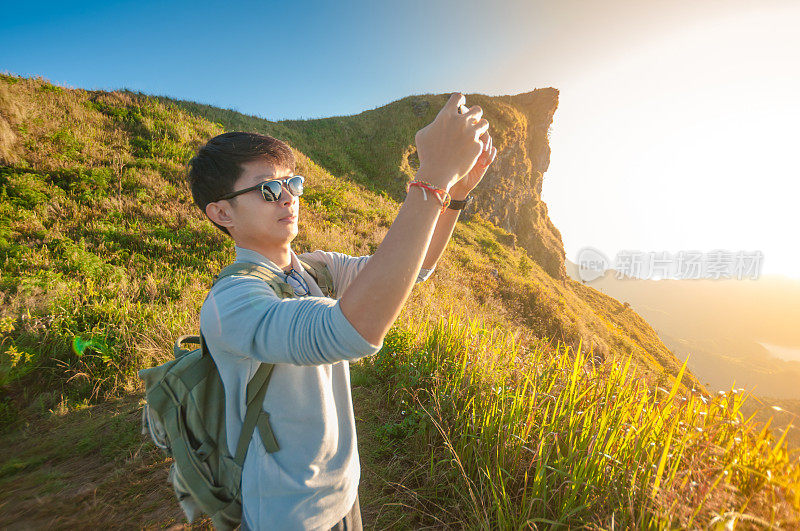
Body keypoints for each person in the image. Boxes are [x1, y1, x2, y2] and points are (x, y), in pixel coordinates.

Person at [187, 93, 497, 530]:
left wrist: (454, 194)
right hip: (289, 514)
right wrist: (431, 177)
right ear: (221, 213)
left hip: (344, 493)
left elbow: (416, 267)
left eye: (291, 184)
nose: (287, 198)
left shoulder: (316, 268)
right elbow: (348, 332)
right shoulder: (232, 303)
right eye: (267, 189)